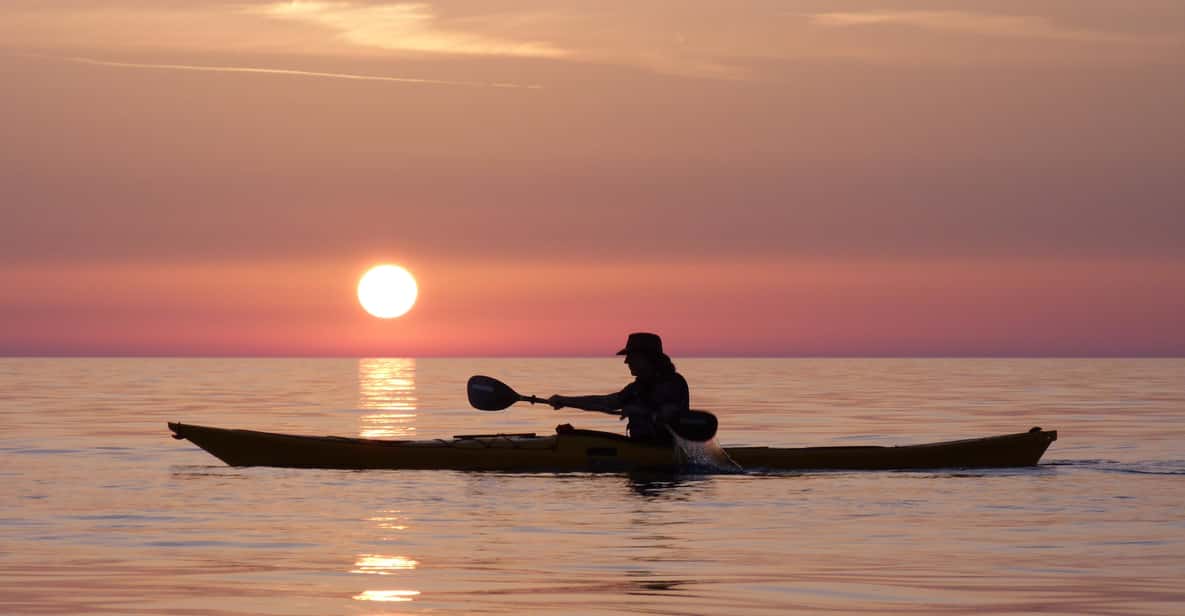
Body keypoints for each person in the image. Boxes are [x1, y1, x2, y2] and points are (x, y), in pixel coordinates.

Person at [547, 333, 690, 443]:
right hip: (640, 449)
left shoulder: (673, 383)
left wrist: (638, 410)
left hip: (663, 453)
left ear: (648, 358)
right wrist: (565, 400)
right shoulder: (636, 387)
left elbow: (670, 415)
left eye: (631, 356)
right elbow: (607, 403)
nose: (626, 361)